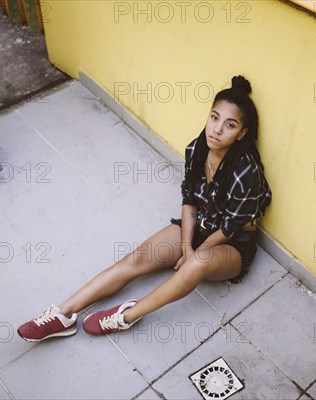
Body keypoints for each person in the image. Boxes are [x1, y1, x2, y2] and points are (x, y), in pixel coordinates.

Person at [17, 75, 272, 342]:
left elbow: (230, 229)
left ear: (242, 133)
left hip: (232, 246)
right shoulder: (197, 148)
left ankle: (127, 316)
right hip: (200, 226)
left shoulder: (245, 172)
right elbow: (189, 201)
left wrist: (192, 255)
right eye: (214, 117)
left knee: (197, 264)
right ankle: (63, 314)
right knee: (137, 258)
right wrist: (186, 247)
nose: (217, 129)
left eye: (229, 125)